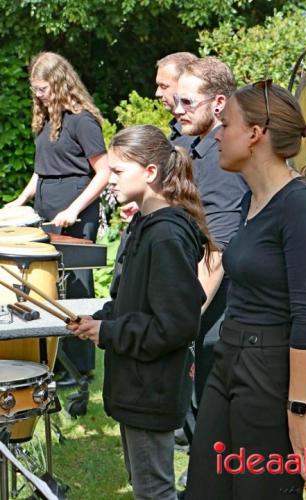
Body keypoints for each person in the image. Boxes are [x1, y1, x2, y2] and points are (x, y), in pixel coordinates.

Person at [184, 81, 306, 500]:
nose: (217, 134)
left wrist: (299, 411)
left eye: (225, 123)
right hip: (230, 359)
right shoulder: (249, 199)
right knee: (204, 488)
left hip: (272, 378)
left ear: (255, 134)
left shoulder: (302, 204)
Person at [67, 124, 217, 500]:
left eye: (117, 172)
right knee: (144, 488)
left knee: (154, 492)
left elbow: (177, 324)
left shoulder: (166, 235)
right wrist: (99, 320)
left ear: (150, 173)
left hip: (151, 388)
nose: (109, 180)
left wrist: (109, 333)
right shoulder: (144, 225)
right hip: (136, 386)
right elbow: (135, 301)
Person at [6, 52, 110, 383]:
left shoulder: (83, 120)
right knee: (51, 288)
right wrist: (19, 201)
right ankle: (57, 363)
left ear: (61, 83)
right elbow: (42, 171)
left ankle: (81, 369)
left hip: (76, 210)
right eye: (34, 89)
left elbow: (104, 172)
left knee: (76, 289)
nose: (38, 95)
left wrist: (75, 209)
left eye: (43, 88)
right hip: (48, 207)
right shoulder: (45, 121)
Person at [174, 57, 248, 421]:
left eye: (188, 102)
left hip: (222, 312)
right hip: (205, 304)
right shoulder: (200, 148)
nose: (177, 110)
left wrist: (186, 316)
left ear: (219, 104)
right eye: (177, 100)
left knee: (216, 414)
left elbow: (216, 249)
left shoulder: (222, 158)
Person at [155, 52, 197, 147]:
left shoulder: (198, 137)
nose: (157, 93)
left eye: (164, 86)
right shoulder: (177, 134)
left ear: (184, 84)